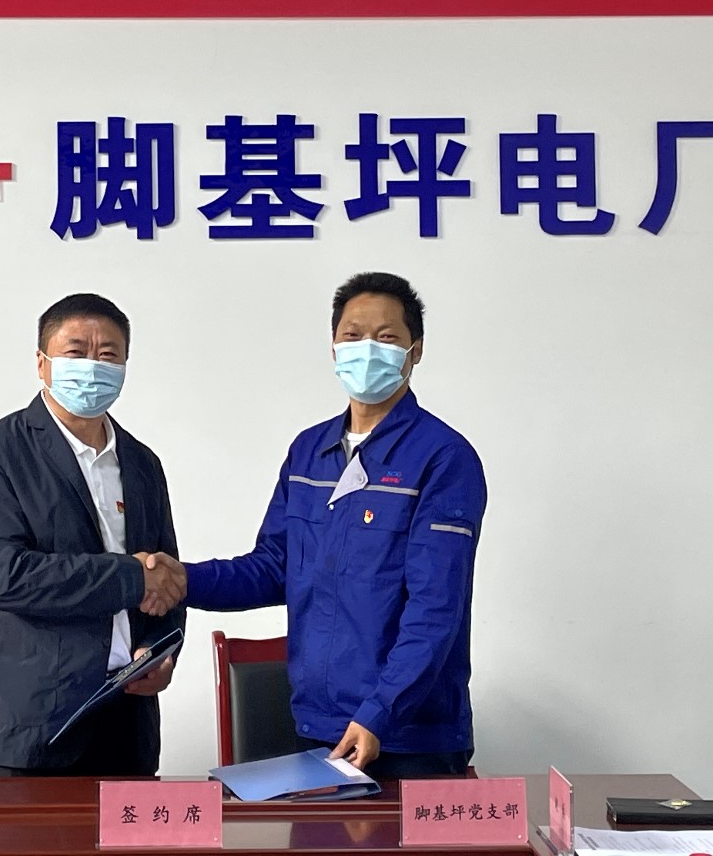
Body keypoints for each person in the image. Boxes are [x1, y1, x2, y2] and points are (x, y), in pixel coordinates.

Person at [156, 271, 485, 778]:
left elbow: (435, 608)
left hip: (409, 737)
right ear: (333, 347)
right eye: (352, 335)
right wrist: (182, 580)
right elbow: (274, 567)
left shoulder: (443, 458)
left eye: (387, 337)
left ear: (415, 350)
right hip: (317, 725)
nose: (367, 349)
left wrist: (380, 713)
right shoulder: (309, 451)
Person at [0, 292, 186, 777]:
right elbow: (7, 577)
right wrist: (131, 578)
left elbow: (166, 577)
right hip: (28, 731)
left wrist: (163, 651)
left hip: (126, 724)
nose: (92, 367)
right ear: (42, 363)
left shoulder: (143, 463)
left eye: (108, 355)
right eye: (76, 352)